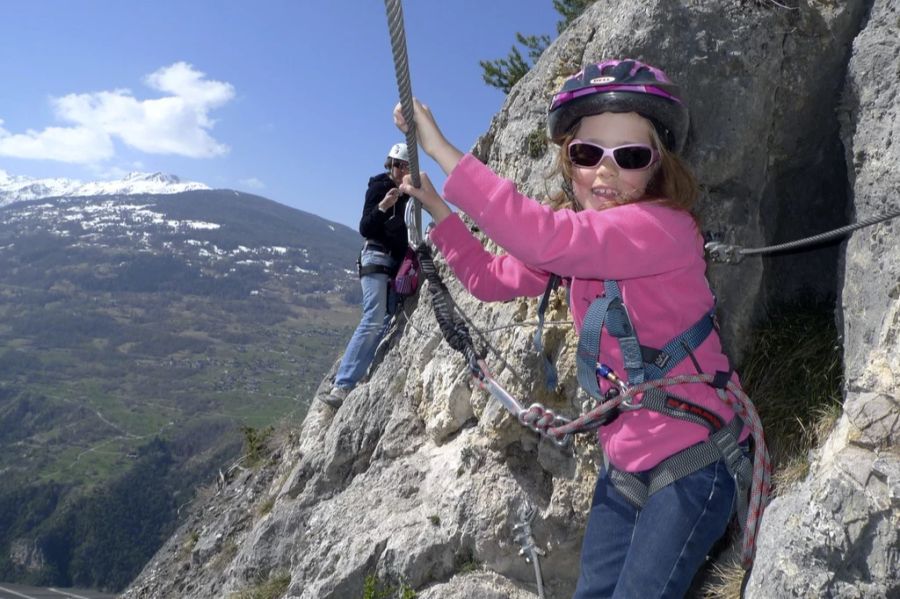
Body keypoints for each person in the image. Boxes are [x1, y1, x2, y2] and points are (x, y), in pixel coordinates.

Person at [394, 59, 754, 597]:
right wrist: (441, 213)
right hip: (625, 457)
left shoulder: (664, 228)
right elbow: (491, 278)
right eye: (588, 154)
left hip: (694, 459)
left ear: (655, 167)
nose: (605, 173)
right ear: (569, 160)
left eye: (629, 157)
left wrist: (442, 149)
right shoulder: (582, 243)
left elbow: (541, 238)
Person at [321, 143, 411, 409]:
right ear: (390, 164)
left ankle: (355, 375)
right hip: (376, 255)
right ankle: (342, 385)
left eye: (405, 166)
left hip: (394, 262)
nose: (400, 170)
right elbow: (365, 227)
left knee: (386, 318)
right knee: (373, 317)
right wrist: (383, 206)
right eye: (397, 164)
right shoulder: (379, 187)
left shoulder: (409, 195)